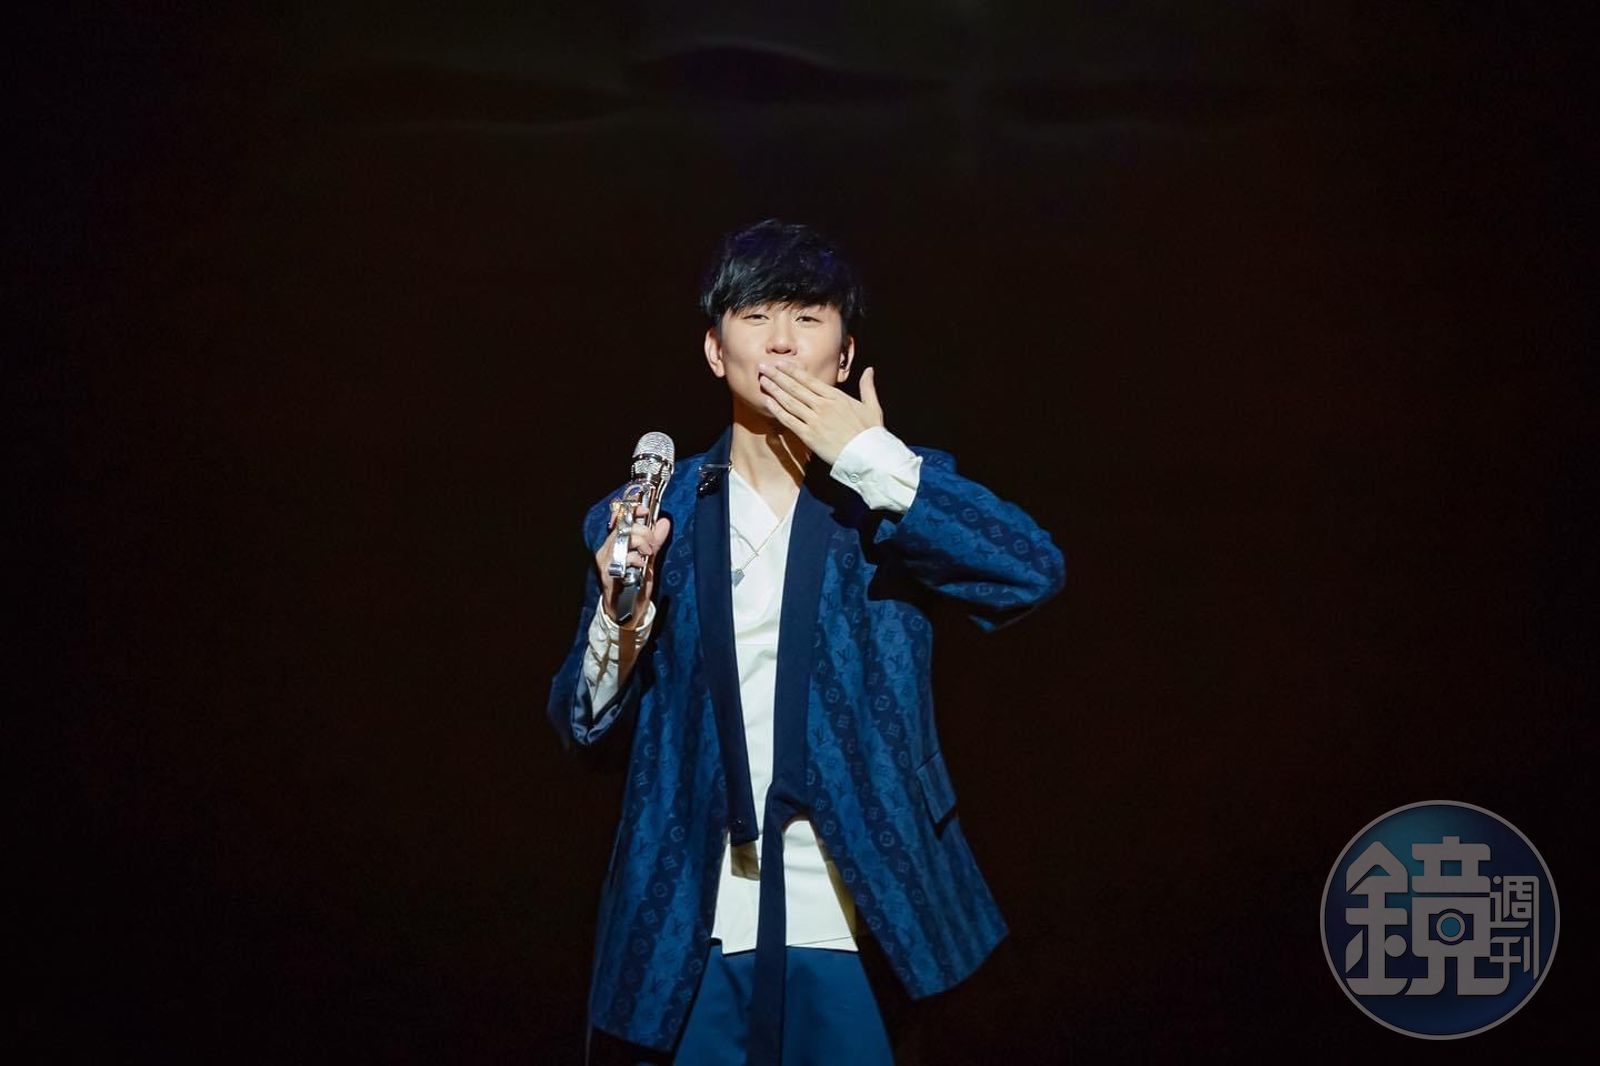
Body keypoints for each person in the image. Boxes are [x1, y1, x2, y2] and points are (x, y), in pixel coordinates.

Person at [548, 220, 1064, 1063]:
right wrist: (621, 616)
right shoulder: (648, 515)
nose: (781, 342)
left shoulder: (891, 490)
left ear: (846, 353)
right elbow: (583, 726)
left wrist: (868, 456)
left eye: (808, 317)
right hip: (693, 919)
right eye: (755, 316)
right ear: (715, 349)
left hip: (866, 912)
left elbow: (1030, 573)